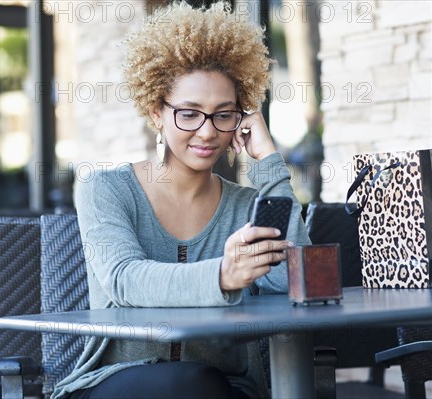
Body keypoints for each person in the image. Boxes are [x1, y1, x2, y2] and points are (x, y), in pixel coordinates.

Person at [54, 2, 310, 398]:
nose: (207, 132)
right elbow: (125, 280)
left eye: (223, 115)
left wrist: (268, 162)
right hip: (115, 381)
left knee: (198, 385)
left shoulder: (245, 205)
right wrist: (223, 275)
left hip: (222, 384)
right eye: (189, 114)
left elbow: (298, 280)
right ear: (156, 112)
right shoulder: (106, 190)